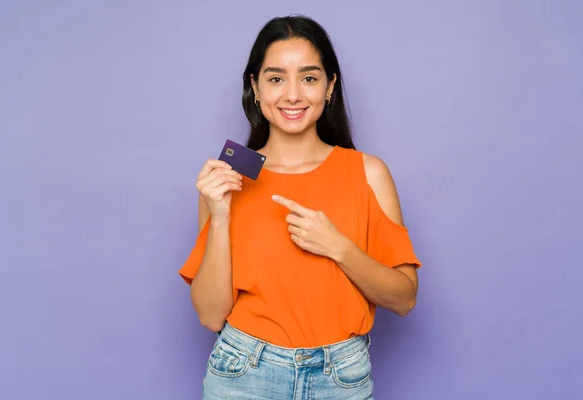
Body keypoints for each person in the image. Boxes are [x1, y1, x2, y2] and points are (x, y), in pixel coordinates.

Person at [179, 14, 421, 400]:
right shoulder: (228, 177)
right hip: (243, 374)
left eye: (309, 78)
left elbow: (405, 299)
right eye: (276, 78)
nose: (293, 94)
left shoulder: (368, 173)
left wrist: (338, 247)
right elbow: (210, 316)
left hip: (340, 376)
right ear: (255, 88)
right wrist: (221, 218)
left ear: (330, 87)